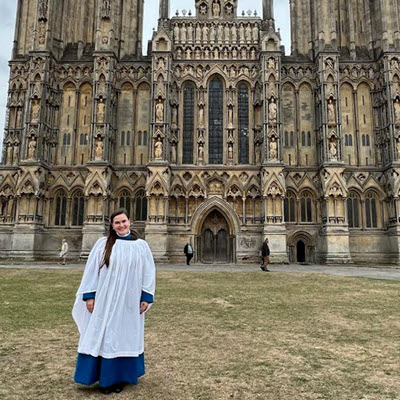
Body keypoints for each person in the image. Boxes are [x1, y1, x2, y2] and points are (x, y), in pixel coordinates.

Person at [72, 209, 156, 395]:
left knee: (124, 335)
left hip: (129, 301)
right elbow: (92, 270)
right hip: (105, 299)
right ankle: (104, 379)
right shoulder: (102, 244)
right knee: (104, 334)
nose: (121, 225)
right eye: (117, 222)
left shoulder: (141, 246)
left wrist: (146, 296)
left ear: (130, 222)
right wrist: (89, 295)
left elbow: (148, 273)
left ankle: (120, 378)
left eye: (124, 221)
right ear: (112, 225)